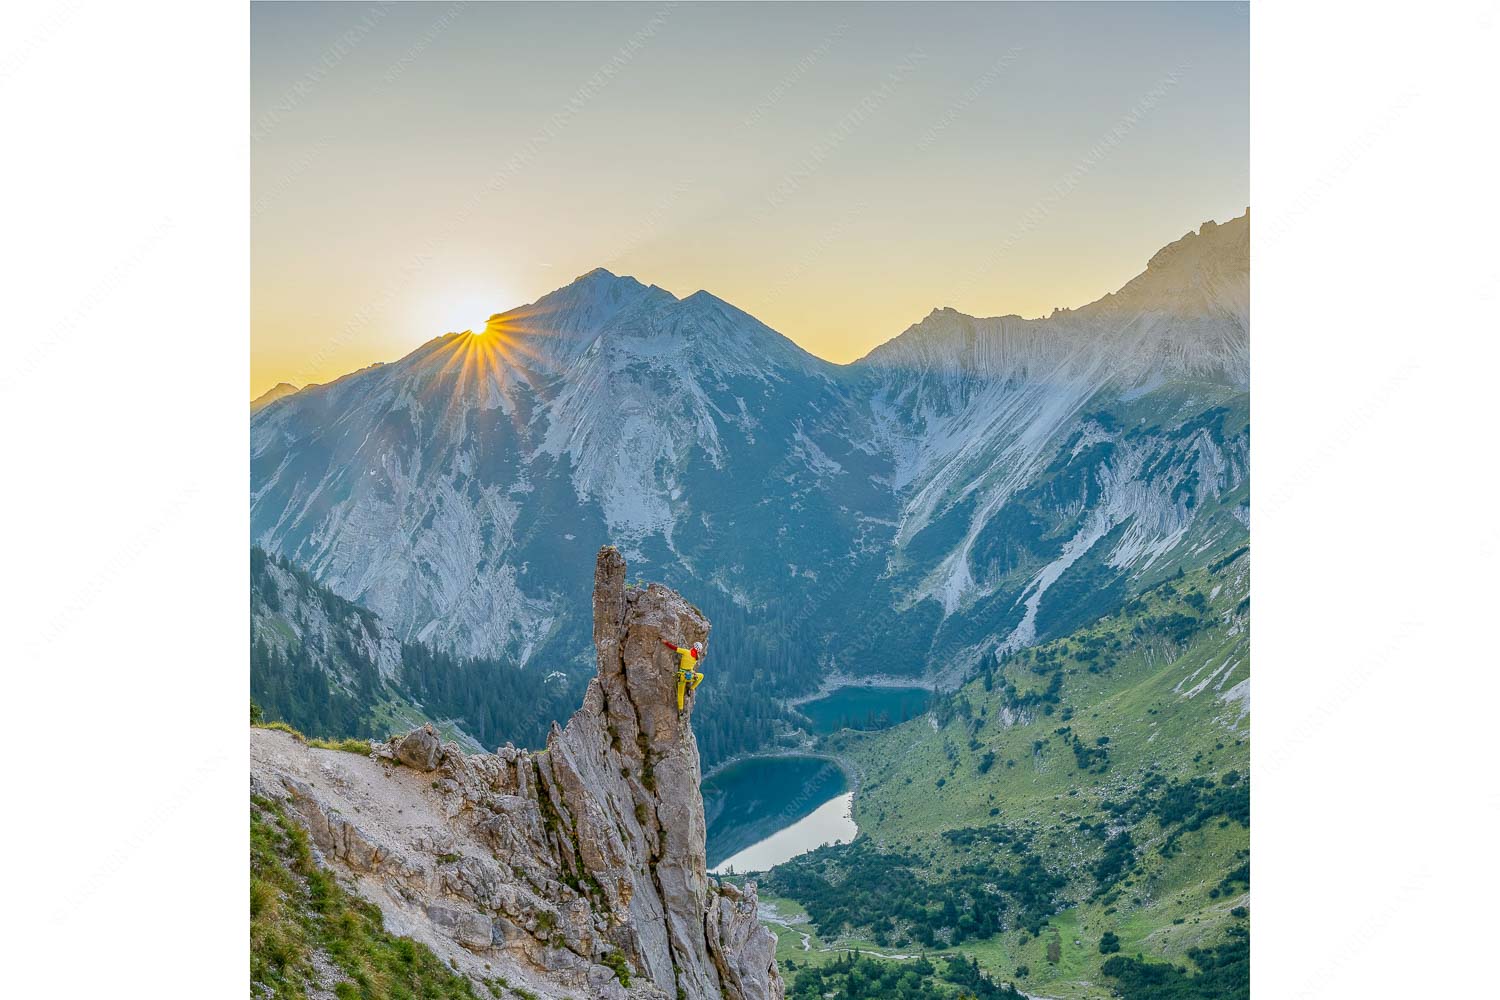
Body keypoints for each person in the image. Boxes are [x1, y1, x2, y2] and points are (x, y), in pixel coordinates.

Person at [662, 638, 704, 710]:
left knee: (680, 694)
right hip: (690, 677)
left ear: (693, 647)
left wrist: (666, 642)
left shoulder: (686, 652)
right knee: (701, 676)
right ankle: (692, 688)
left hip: (682, 677)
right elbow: (690, 668)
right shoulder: (696, 658)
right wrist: (694, 673)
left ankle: (680, 710)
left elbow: (674, 648)